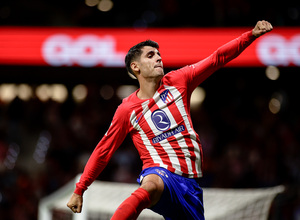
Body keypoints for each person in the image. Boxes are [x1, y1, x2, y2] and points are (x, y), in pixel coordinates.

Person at [67, 20, 273, 219]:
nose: (158, 58)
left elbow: (216, 59)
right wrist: (80, 189)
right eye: (150, 55)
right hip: (159, 172)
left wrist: (250, 35)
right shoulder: (127, 110)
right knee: (151, 186)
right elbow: (104, 150)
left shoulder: (178, 81)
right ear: (136, 67)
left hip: (191, 186)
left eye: (158, 54)